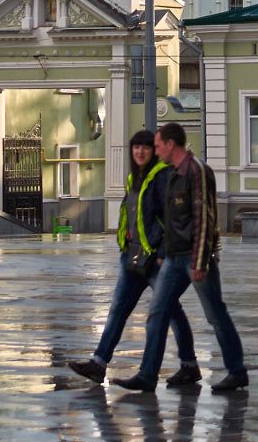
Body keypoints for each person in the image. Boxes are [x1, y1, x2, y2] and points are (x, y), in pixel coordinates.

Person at [118, 123, 248, 396]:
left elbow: (203, 218)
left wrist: (200, 261)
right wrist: (164, 254)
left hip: (195, 258)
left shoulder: (196, 170)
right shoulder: (175, 174)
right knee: (157, 312)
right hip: (174, 259)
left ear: (171, 144)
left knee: (215, 314)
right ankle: (147, 376)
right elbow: (172, 221)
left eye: (156, 145)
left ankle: (237, 372)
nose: (154, 150)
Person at [67, 130, 200, 387]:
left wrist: (162, 254)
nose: (140, 152)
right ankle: (99, 363)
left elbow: (175, 219)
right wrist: (125, 243)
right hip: (133, 256)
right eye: (136, 147)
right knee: (118, 309)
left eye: (146, 148)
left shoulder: (162, 177)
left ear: (154, 150)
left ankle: (189, 365)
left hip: (154, 260)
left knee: (171, 311)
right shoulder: (135, 178)